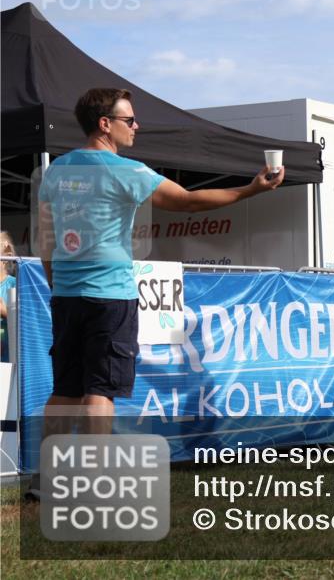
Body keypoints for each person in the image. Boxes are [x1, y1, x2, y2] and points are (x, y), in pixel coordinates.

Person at [36, 88, 286, 435]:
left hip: (66, 295)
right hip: (109, 296)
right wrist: (251, 189)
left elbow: (46, 240)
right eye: (130, 119)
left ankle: (48, 481)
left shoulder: (56, 170)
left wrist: (57, 283)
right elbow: (188, 202)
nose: (137, 125)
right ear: (105, 124)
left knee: (65, 390)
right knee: (100, 390)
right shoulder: (128, 171)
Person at [0, 231, 17, 362]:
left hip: (8, 357)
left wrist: (5, 312)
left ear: (5, 259)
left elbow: (24, 322)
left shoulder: (14, 284)